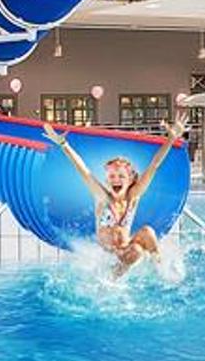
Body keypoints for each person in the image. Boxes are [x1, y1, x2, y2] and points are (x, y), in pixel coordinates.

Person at [42, 119, 185, 279]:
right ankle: (113, 279)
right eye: (112, 176)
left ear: (130, 180)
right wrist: (64, 144)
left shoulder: (133, 197)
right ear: (107, 180)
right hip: (108, 254)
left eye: (121, 176)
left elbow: (154, 165)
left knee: (147, 233)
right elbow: (83, 170)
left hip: (126, 250)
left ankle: (162, 273)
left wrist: (171, 139)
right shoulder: (103, 198)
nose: (116, 180)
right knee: (136, 251)